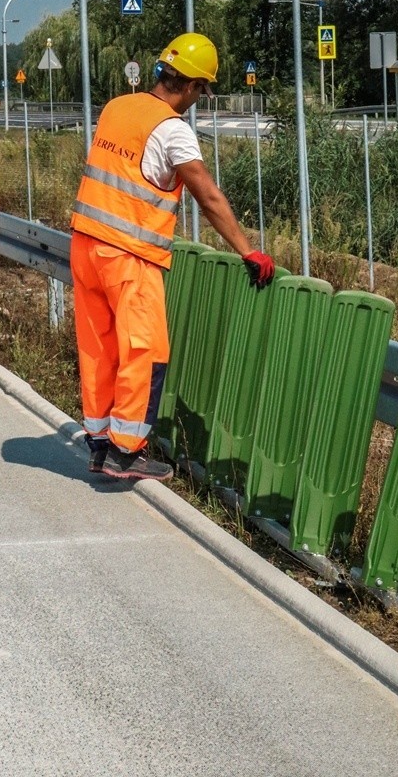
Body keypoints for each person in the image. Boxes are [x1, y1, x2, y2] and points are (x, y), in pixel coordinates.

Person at [70, 32, 276, 481]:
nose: (199, 99)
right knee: (146, 349)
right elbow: (209, 197)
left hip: (85, 245)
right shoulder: (172, 130)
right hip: (130, 254)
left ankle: (100, 444)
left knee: (99, 347)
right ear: (191, 86)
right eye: (203, 90)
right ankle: (127, 451)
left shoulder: (117, 107)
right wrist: (248, 250)